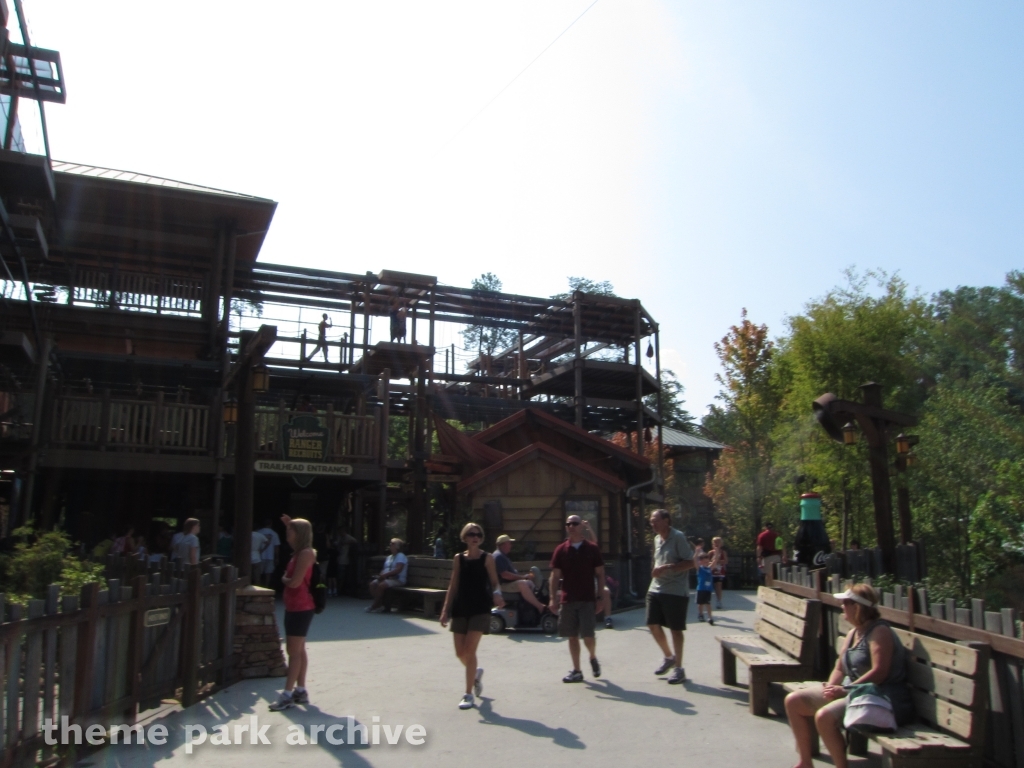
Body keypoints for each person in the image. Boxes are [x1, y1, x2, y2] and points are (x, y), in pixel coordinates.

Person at [784, 584, 914, 768]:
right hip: (853, 691)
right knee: (793, 701)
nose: (841, 606)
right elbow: (840, 668)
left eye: (845, 602)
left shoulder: (880, 632)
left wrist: (845, 690)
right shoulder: (854, 632)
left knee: (824, 717)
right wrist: (830, 688)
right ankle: (805, 762)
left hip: (881, 697)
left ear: (857, 607)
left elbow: (880, 672)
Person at [441, 523, 505, 710]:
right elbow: (453, 586)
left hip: (480, 609)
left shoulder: (487, 558)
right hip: (460, 608)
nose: (475, 537)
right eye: (471, 534)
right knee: (460, 653)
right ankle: (475, 673)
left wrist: (497, 594)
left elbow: (495, 582)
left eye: (478, 534)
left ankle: (468, 694)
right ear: (465, 537)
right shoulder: (458, 559)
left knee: (469, 651)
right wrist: (445, 610)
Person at [269, 516, 317, 711]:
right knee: (299, 649)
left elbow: (296, 582)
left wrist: (284, 579)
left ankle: (287, 694)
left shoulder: (305, 553)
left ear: (299, 534)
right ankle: (300, 690)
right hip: (295, 607)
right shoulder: (300, 552)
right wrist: (290, 523)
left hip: (301, 607)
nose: (287, 534)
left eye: (290, 531)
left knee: (293, 652)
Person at [549, 514, 605, 683]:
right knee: (572, 635)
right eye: (568, 524)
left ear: (582, 526)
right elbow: (555, 576)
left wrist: (600, 597)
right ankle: (577, 671)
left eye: (575, 523)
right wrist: (552, 598)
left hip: (587, 598)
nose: (571, 526)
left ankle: (592, 657)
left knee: (588, 635)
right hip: (568, 599)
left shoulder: (592, 549)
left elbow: (600, 574)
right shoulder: (561, 550)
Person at [646, 508, 695, 685]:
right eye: (651, 521)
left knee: (675, 629)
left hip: (675, 590)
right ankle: (669, 657)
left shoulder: (678, 537)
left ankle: (679, 668)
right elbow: (657, 560)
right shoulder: (657, 539)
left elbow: (691, 562)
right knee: (652, 623)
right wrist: (655, 569)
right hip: (656, 587)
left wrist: (667, 567)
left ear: (666, 521)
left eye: (656, 520)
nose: (653, 524)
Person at [492, 534, 547, 613]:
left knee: (528, 582)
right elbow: (505, 575)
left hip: (508, 584)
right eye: (509, 543)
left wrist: (525, 577)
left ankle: (534, 606)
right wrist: (523, 577)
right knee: (522, 584)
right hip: (503, 586)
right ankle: (540, 607)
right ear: (504, 544)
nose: (511, 545)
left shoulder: (502, 556)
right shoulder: (498, 556)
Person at [581, 520, 615, 628]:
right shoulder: (570, 548)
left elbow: (594, 542)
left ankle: (608, 618)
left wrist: (588, 527)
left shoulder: (590, 551)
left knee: (605, 591)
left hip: (592, 581)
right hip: (578, 583)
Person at [367, 538, 407, 612]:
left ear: (398, 547)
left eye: (393, 543)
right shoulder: (389, 557)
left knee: (381, 585)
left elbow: (398, 569)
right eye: (390, 543)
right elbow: (384, 569)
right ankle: (379, 604)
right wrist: (381, 575)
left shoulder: (401, 556)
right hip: (387, 578)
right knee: (372, 584)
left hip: (397, 579)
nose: (390, 545)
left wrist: (385, 575)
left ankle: (374, 605)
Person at [256, 519, 281, 588]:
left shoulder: (258, 532)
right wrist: (277, 557)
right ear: (271, 524)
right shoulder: (274, 534)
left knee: (258, 574)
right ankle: (266, 587)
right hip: (270, 556)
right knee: (268, 574)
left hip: (259, 556)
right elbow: (276, 547)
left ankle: (258, 587)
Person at [709, 536, 728, 609]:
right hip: (712, 571)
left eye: (718, 542)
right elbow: (707, 561)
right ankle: (707, 600)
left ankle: (719, 600)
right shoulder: (710, 552)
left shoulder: (723, 552)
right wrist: (713, 561)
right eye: (715, 542)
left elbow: (726, 561)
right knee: (710, 585)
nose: (716, 544)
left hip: (720, 571)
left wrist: (718, 561)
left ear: (721, 544)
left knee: (718, 585)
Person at [695, 553, 714, 625]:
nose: (706, 563)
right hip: (701, 589)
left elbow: (715, 561)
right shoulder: (700, 568)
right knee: (700, 603)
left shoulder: (709, 568)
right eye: (705, 562)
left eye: (707, 562)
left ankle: (710, 617)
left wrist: (717, 552)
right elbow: (695, 561)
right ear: (700, 562)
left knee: (708, 603)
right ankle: (701, 614)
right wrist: (696, 553)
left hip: (708, 589)